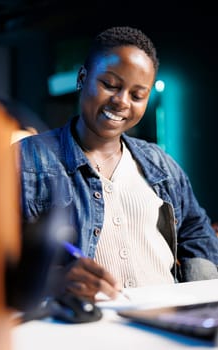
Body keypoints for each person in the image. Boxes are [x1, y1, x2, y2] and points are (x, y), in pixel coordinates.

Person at [18, 26, 218, 302]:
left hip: (167, 329)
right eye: (110, 85)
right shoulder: (26, 160)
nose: (121, 101)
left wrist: (200, 298)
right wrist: (53, 280)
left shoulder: (160, 163)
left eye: (137, 95)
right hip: (83, 333)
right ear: (82, 78)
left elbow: (196, 231)